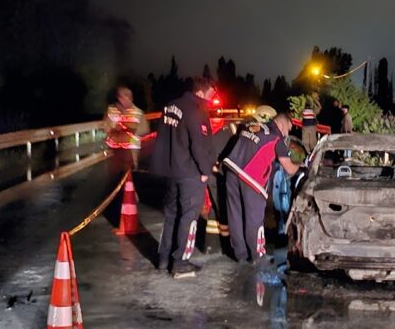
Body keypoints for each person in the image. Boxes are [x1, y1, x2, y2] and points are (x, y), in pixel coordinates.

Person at [151, 77, 215, 278]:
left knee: (171, 215)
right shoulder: (195, 110)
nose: (211, 100)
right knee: (189, 216)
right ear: (201, 93)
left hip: (171, 172)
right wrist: (206, 171)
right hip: (190, 173)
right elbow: (199, 145)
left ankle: (164, 258)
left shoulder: (170, 106)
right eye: (211, 95)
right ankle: (180, 262)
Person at [222, 113, 300, 263]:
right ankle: (257, 256)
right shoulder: (276, 138)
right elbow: (290, 168)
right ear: (282, 125)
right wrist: (301, 167)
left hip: (231, 170)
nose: (287, 134)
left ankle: (241, 255)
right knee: (254, 220)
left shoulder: (252, 127)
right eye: (288, 130)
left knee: (235, 216)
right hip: (252, 179)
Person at [103, 86, 148, 175]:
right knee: (115, 181)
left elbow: (144, 133)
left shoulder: (138, 113)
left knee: (128, 180)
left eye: (125, 96)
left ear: (131, 98)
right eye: (120, 96)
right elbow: (106, 128)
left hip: (130, 156)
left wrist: (128, 132)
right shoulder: (112, 110)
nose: (122, 99)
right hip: (114, 155)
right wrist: (115, 127)